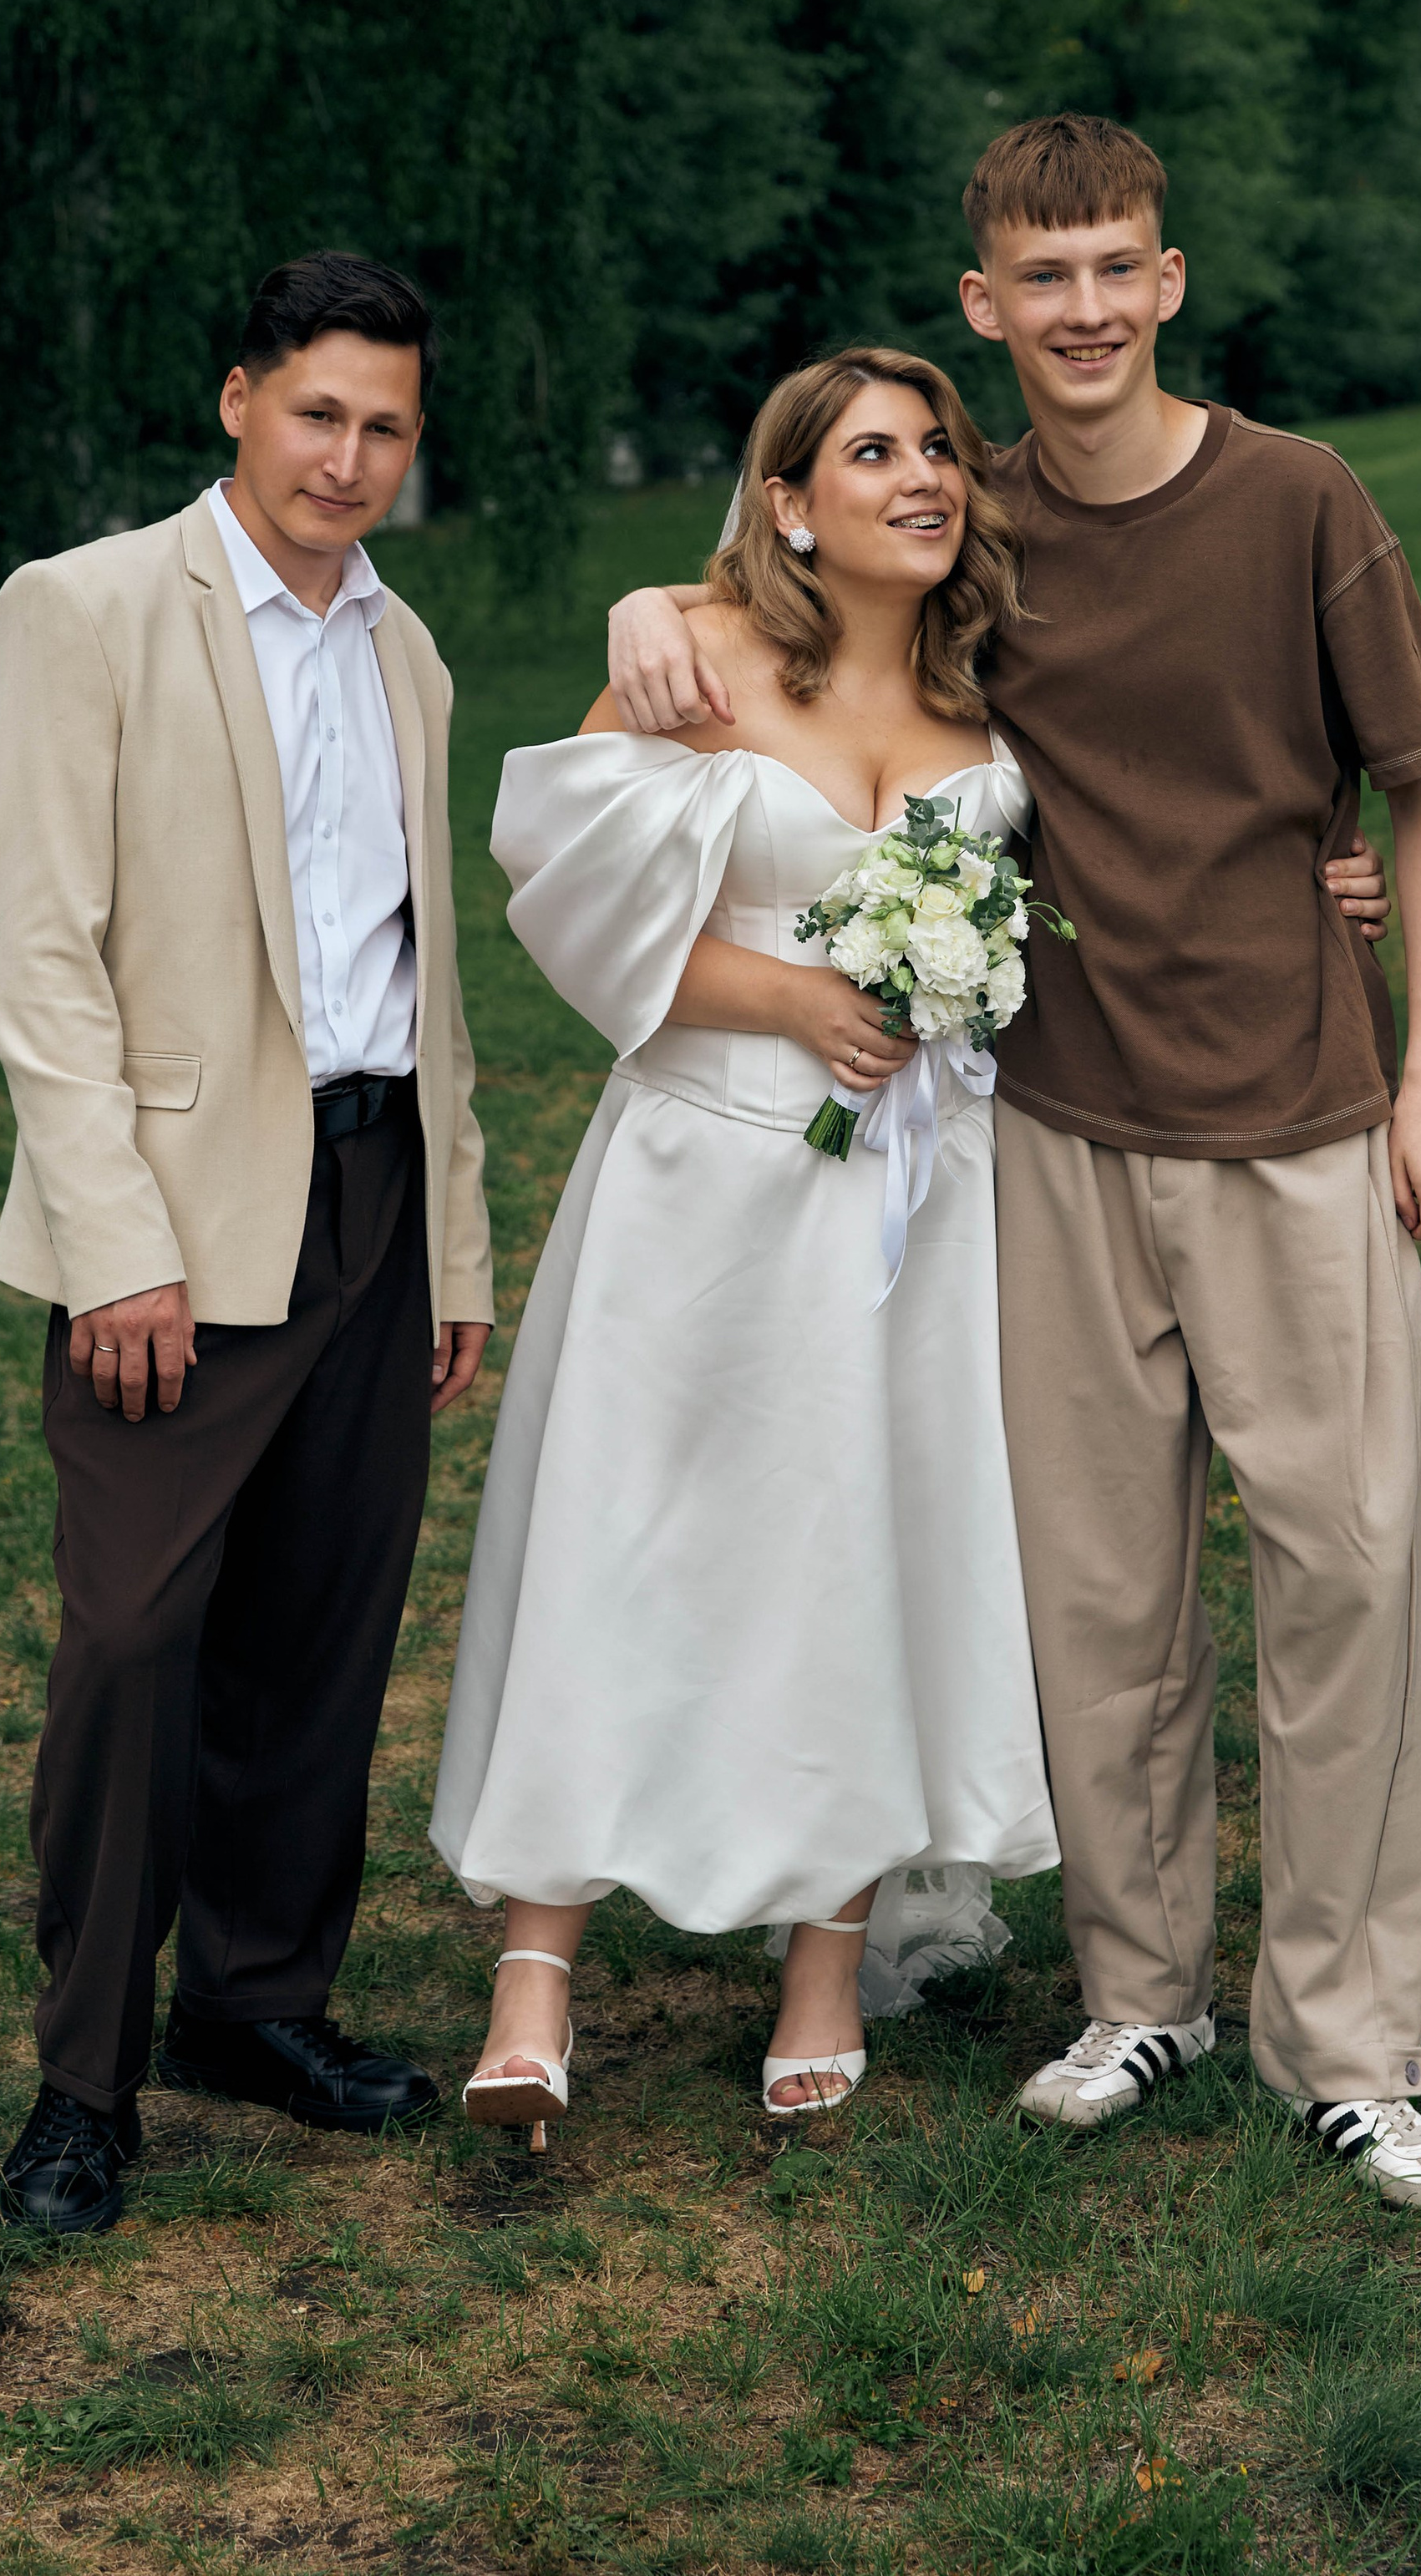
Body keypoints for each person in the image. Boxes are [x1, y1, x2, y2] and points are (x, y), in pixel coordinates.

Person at [606, 114, 1421, 2215]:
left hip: (1293, 1115)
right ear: (983, 306)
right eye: (1042, 277)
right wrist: (657, 594)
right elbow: (780, 604)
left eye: (1120, 269)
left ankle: (1347, 2044)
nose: (1084, 310)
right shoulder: (955, 518)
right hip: (1049, 1125)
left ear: (1165, 282)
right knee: (1095, 1601)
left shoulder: (1297, 501)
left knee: (1348, 1580)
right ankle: (1139, 1988)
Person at [429, 347, 1066, 2127]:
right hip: (698, 1183)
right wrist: (790, 997)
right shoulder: (695, 661)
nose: (921, 473)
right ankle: (532, 1983)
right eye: (871, 451)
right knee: (619, 1542)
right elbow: (562, 897)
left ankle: (821, 1957)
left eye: (937, 444)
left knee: (866, 1549)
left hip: (914, 1211)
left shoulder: (984, 707)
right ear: (789, 501)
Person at [0, 250, 494, 2234]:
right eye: (315, 413)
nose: (346, 458)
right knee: (131, 1638)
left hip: (371, 1198)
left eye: (383, 427)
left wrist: (451, 1243)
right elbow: (42, 949)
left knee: (319, 1631)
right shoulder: (90, 606)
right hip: (174, 1222)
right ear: (236, 401)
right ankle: (82, 2082)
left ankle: (255, 2003)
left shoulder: (408, 652)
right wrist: (113, 1241)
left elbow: (417, 980)